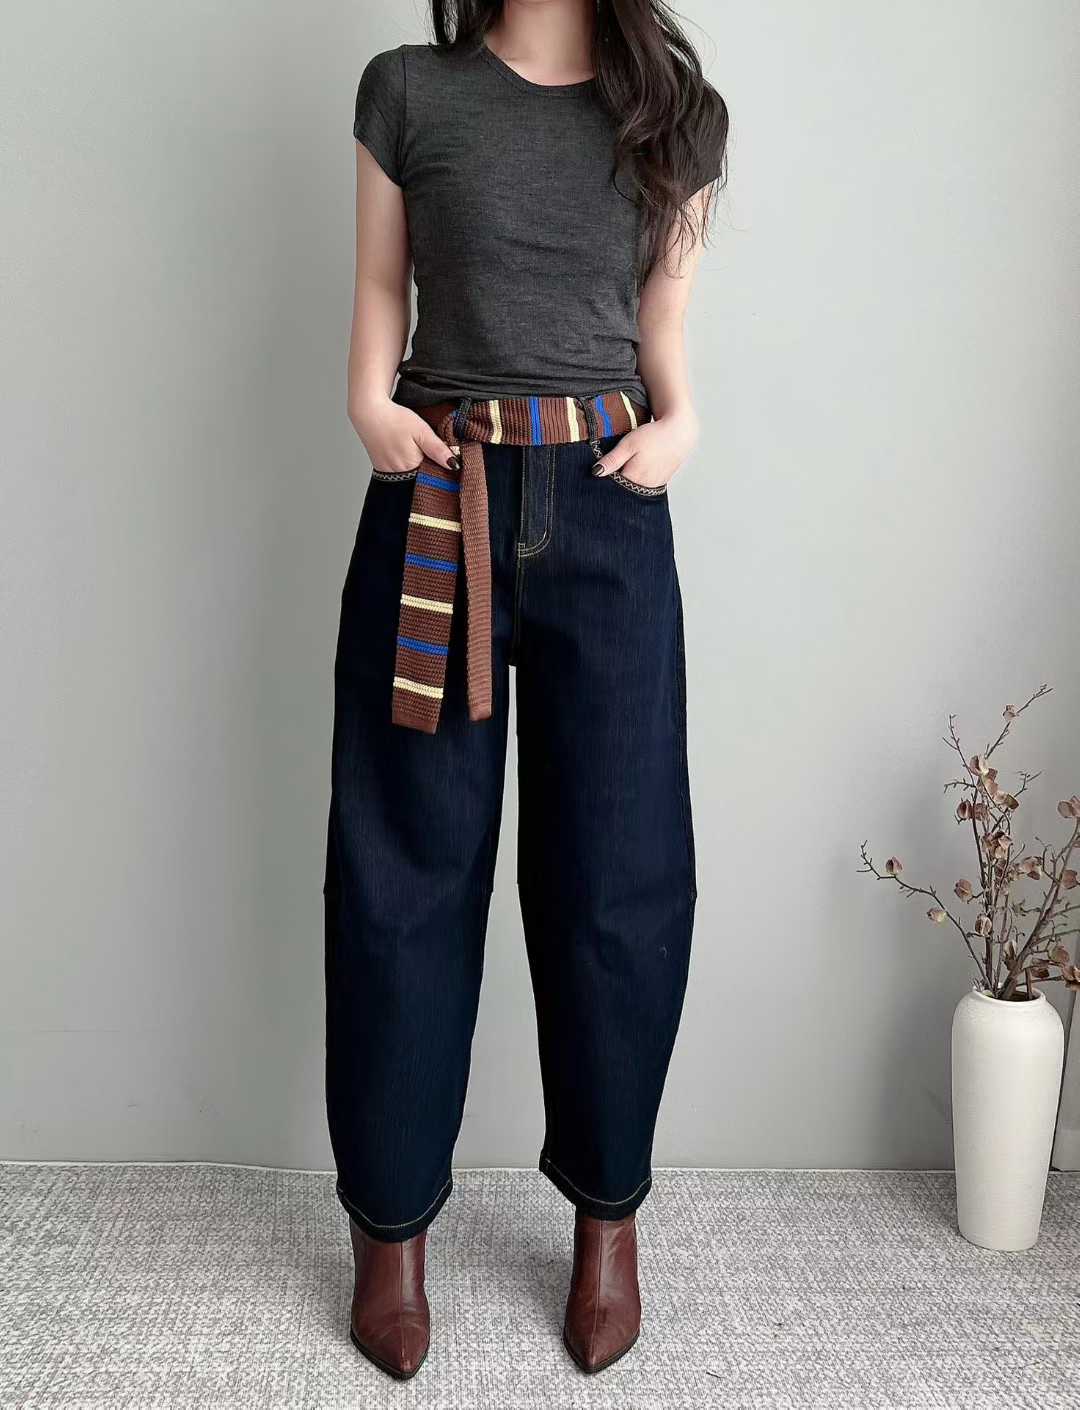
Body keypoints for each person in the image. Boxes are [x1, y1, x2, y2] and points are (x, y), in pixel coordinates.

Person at [324, 0, 727, 1380]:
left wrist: (683, 424)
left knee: (622, 873)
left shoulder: (677, 110)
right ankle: (390, 1232)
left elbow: (662, 318)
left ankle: (608, 1221)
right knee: (403, 871)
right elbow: (381, 289)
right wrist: (368, 399)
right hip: (441, 494)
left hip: (608, 507)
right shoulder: (407, 91)